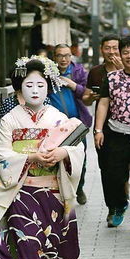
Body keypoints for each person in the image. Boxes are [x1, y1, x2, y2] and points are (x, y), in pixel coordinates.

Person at [0, 56, 85, 259]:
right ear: (19, 89)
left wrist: (64, 154)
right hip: (21, 192)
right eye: (29, 85)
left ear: (48, 87)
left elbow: (78, 148)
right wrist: (31, 157)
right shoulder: (10, 120)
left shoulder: (58, 117)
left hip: (52, 192)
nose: (35, 90)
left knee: (48, 248)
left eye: (40, 85)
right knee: (28, 244)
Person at [94, 35, 130, 234]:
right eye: (125, 52)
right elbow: (103, 103)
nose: (129, 56)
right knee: (115, 176)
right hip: (116, 133)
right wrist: (98, 130)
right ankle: (119, 205)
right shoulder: (112, 78)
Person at [83, 35, 127, 227]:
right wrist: (90, 98)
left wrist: (121, 72)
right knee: (106, 169)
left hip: (125, 128)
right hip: (103, 128)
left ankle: (123, 200)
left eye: (115, 48)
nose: (111, 52)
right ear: (101, 50)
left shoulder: (129, 70)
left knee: (122, 169)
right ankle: (112, 207)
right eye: (107, 48)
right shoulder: (95, 72)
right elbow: (85, 99)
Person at [49, 44, 91, 205]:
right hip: (54, 126)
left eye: (67, 55)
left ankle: (79, 188)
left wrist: (72, 84)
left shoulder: (78, 72)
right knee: (55, 158)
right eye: (60, 55)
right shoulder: (47, 73)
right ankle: (59, 191)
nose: (64, 59)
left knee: (80, 159)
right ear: (54, 57)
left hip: (76, 124)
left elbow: (88, 95)